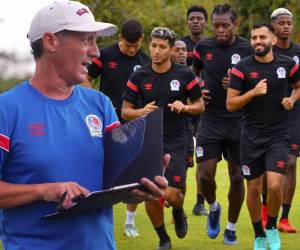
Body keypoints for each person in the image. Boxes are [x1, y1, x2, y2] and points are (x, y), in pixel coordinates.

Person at [0, 1, 167, 250]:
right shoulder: (7, 109)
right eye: (86, 40)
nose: (96, 52)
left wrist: (140, 186)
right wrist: (45, 190)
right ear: (50, 41)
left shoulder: (100, 104)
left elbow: (115, 181)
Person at [122, 27, 204, 250]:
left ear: (171, 49)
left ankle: (178, 210)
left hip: (177, 141)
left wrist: (185, 106)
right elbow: (125, 111)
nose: (156, 51)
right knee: (150, 193)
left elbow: (200, 106)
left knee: (172, 195)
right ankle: (163, 239)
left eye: (162, 47)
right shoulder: (139, 75)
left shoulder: (185, 75)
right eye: (154, 45)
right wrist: (141, 112)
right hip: (149, 141)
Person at [227, 22, 300, 250]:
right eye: (254, 38)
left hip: (278, 135)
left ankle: (272, 226)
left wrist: (292, 99)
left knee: (276, 186)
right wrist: (252, 91)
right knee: (255, 189)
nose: (257, 41)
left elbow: (298, 86)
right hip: (250, 137)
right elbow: (230, 104)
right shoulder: (242, 68)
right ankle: (259, 234)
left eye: (262, 37)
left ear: (273, 40)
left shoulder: (287, 65)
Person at [192, 4, 252, 245]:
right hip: (210, 120)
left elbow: (258, 80)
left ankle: (231, 228)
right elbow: (191, 75)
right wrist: (197, 90)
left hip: (239, 122)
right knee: (205, 176)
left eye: (224, 25)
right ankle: (213, 207)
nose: (219, 30)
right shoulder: (203, 47)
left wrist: (238, 87)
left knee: (238, 177)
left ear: (234, 25)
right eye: (215, 25)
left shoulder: (247, 48)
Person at [86, 17, 150, 238]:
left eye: (135, 45)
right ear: (120, 38)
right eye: (127, 45)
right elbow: (86, 78)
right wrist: (96, 101)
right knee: (103, 169)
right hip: (106, 120)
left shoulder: (146, 60)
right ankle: (100, 215)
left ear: (141, 40)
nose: (131, 50)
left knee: (134, 172)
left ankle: (130, 221)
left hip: (133, 121)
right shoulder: (105, 54)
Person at [267, 8, 299, 233]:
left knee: (290, 163)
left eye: (289, 23)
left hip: (294, 117)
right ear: (274, 27)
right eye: (281, 23)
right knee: (265, 169)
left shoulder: (298, 52)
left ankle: (284, 218)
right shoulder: (265, 51)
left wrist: (293, 98)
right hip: (266, 117)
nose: (286, 26)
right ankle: (265, 209)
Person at [181, 5, 209, 216]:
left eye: (199, 18)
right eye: (192, 18)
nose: (196, 21)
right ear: (188, 21)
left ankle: (200, 202)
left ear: (205, 22)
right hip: (182, 107)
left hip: (205, 108)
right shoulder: (180, 45)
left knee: (202, 155)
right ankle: (174, 199)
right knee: (179, 156)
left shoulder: (211, 46)